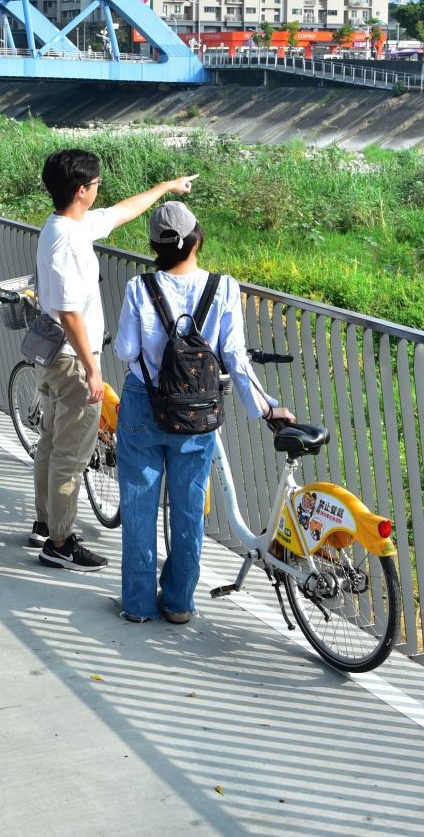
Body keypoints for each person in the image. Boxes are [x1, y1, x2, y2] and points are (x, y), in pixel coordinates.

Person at [112, 201, 293, 624]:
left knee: (139, 507)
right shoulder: (224, 288)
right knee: (189, 509)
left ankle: (138, 605)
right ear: (196, 238)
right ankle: (177, 603)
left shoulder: (141, 289)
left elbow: (124, 351)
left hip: (144, 402)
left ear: (155, 246)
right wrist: (265, 408)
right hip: (197, 410)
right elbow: (234, 355)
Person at [31, 149, 196, 571]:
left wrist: (167, 187)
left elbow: (121, 212)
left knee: (51, 443)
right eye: (97, 184)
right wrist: (92, 369)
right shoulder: (68, 241)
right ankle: (60, 543)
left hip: (54, 354)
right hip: (70, 360)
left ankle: (46, 523)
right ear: (82, 190)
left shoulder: (66, 224)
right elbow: (69, 312)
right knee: (72, 454)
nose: (100, 190)